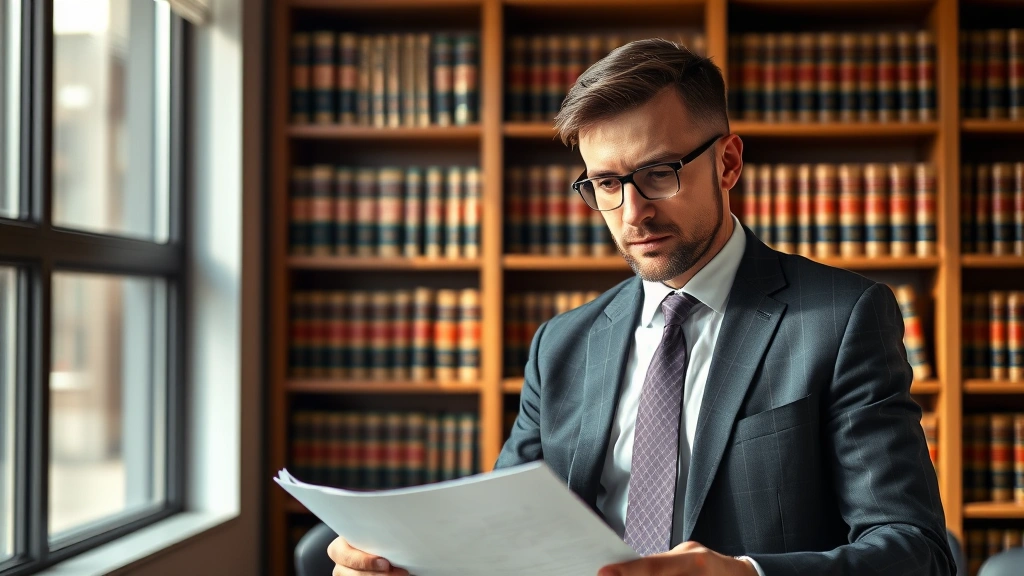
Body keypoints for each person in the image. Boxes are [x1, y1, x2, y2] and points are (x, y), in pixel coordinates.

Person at [327, 38, 954, 576]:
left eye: (659, 173)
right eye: (605, 183)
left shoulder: (842, 319)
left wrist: (746, 574)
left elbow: (917, 550)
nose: (633, 213)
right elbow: (505, 544)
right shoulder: (561, 346)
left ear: (728, 162)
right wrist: (410, 562)